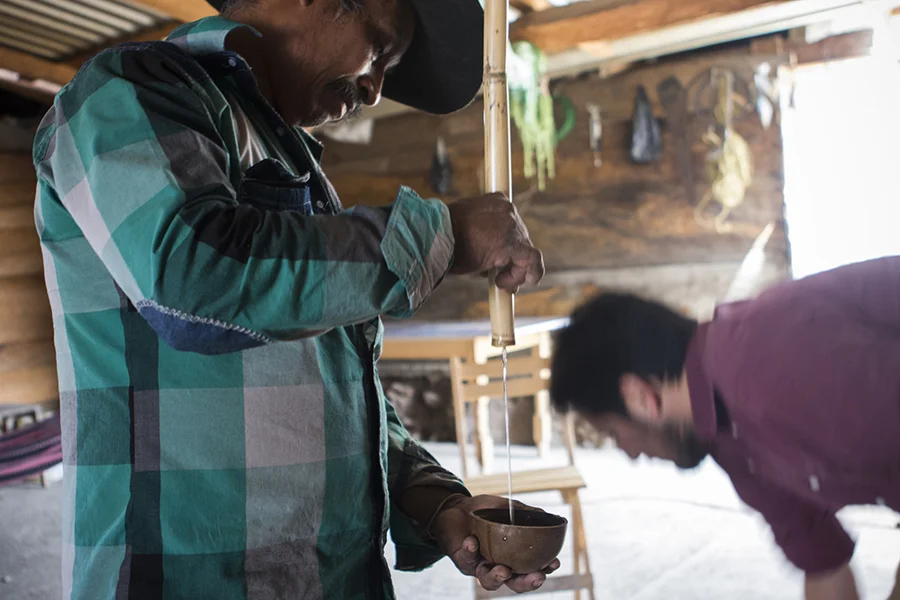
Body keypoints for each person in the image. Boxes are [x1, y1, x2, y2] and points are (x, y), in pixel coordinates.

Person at [32, 0, 556, 597]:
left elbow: (335, 390)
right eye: (379, 49)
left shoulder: (298, 169)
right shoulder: (129, 90)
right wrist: (446, 237)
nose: (374, 91)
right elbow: (195, 280)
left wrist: (435, 501)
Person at [550, 255, 900, 600]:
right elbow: (823, 562)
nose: (630, 453)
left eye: (613, 434)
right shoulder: (730, 442)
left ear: (640, 396)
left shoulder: (769, 367)